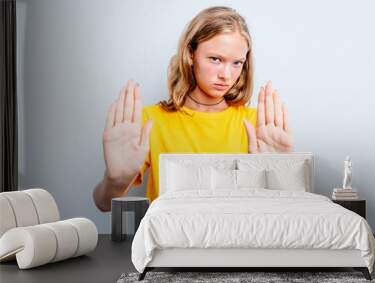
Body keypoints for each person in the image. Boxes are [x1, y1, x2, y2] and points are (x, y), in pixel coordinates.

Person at [93, 6, 294, 212]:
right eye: (216, 59)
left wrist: (283, 175)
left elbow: (281, 213)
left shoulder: (258, 127)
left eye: (237, 63)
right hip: (169, 241)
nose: (227, 74)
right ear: (190, 54)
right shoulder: (151, 122)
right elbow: (103, 203)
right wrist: (116, 180)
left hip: (238, 241)